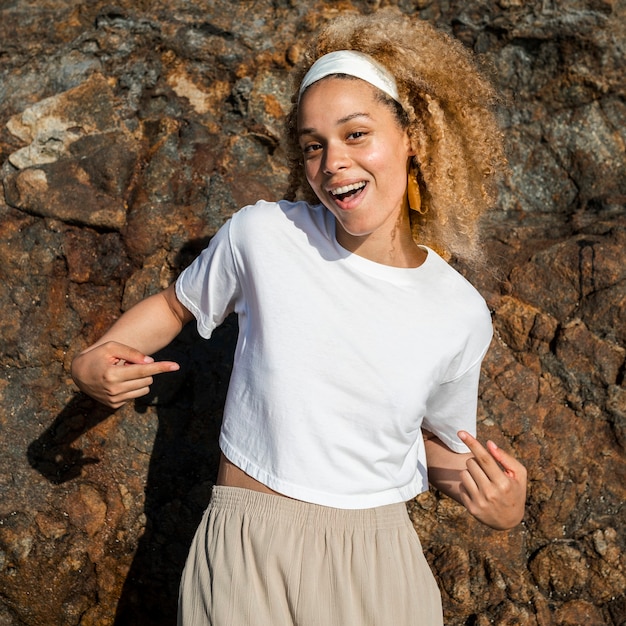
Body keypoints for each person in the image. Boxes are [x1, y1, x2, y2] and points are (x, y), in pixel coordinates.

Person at [71, 10, 527, 626]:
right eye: (315, 146)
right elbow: (177, 306)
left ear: (412, 137)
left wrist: (501, 504)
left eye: (356, 134)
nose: (334, 161)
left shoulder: (460, 312)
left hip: (380, 567)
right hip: (248, 549)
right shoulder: (264, 235)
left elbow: (435, 446)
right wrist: (95, 358)